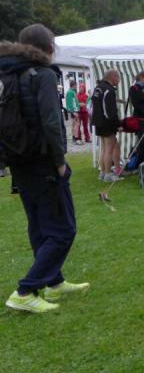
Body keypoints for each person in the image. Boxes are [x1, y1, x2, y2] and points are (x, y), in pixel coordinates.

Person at [1, 24, 89, 313]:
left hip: (19, 158)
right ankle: (26, 290)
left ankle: (53, 280)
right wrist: (60, 161)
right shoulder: (43, 74)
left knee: (39, 225)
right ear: (49, 46)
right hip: (43, 160)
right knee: (63, 229)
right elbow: (52, 121)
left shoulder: (9, 72)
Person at [92, 70, 124, 182]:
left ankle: (103, 173)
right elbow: (110, 110)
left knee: (104, 148)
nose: (119, 81)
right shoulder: (109, 90)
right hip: (106, 122)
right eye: (118, 78)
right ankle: (108, 174)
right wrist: (117, 124)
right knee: (109, 149)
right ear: (113, 77)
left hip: (98, 121)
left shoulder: (98, 88)